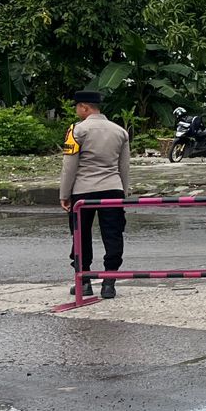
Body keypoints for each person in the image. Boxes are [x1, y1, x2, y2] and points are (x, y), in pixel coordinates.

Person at [59, 89, 131, 299]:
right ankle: (109, 282)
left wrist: (64, 193)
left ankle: (84, 281)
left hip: (83, 191)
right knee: (113, 234)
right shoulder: (120, 131)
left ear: (84, 107)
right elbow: (124, 167)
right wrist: (123, 193)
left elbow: (69, 166)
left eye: (77, 107)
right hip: (113, 189)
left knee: (81, 235)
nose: (76, 110)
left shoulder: (76, 130)